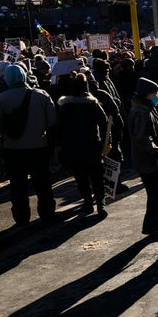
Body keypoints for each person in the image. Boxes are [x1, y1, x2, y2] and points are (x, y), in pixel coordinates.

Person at [0, 63, 58, 226]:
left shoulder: (1, 98)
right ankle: (47, 214)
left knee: (18, 186)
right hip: (39, 146)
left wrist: (8, 134)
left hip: (13, 148)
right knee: (43, 183)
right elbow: (52, 121)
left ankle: (21, 217)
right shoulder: (41, 95)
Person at [55, 73, 109, 216]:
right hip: (92, 145)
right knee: (97, 178)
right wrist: (105, 141)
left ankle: (88, 203)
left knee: (81, 178)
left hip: (73, 147)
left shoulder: (65, 106)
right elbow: (104, 123)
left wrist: (61, 145)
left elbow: (59, 127)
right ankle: (100, 204)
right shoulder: (93, 104)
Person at [128, 77, 158, 238]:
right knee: (155, 195)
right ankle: (151, 227)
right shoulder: (141, 112)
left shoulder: (147, 108)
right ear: (147, 94)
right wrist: (157, 151)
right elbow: (142, 138)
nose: (157, 96)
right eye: (155, 93)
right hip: (148, 161)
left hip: (152, 159)